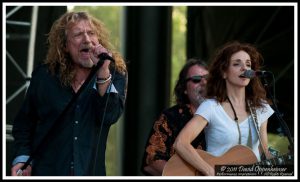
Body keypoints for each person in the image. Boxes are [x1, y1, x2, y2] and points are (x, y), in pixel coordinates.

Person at [10, 11, 127, 176]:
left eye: (91, 33)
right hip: (47, 171)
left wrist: (103, 73)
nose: (87, 39)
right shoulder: (45, 76)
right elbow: (24, 124)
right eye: (78, 34)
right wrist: (22, 158)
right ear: (64, 45)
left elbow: (110, 115)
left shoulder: (113, 73)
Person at [173, 41, 274, 176]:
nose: (245, 68)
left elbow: (264, 151)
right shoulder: (211, 107)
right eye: (237, 64)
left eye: (248, 64)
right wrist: (209, 170)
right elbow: (180, 143)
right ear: (224, 72)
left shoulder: (260, 108)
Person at [141, 58, 209, 175]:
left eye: (208, 79)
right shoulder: (171, 117)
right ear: (184, 89)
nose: (204, 83)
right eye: (196, 79)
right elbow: (151, 161)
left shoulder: (224, 114)